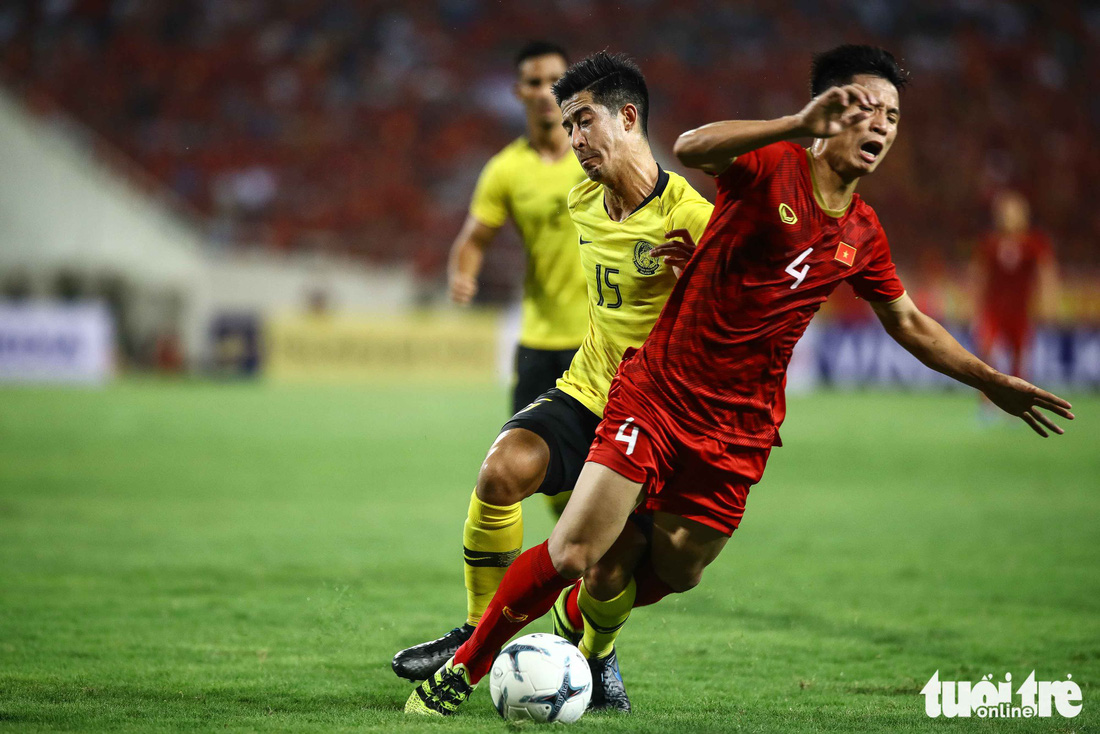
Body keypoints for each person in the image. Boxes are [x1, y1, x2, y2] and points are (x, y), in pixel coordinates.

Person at [405, 44, 1075, 717]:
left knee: (668, 570)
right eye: (864, 109)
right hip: (658, 392)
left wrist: (994, 380)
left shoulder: (863, 233)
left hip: (740, 429)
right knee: (576, 547)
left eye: (892, 116)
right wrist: (795, 123)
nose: (879, 126)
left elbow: (907, 321)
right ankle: (464, 669)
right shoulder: (771, 166)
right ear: (829, 110)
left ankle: (585, 633)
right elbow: (695, 145)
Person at [397, 51, 713, 712]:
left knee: (605, 566)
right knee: (500, 473)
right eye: (567, 126)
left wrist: (693, 289)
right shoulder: (580, 198)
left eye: (584, 122)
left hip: (656, 415)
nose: (573, 140)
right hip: (587, 386)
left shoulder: (693, 220)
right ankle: (479, 633)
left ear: (628, 118)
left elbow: (728, 329)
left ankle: (596, 655)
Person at [447, 41, 587, 522]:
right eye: (534, 81)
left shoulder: (599, 159)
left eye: (556, 80)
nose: (546, 91)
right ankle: (585, 555)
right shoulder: (506, 170)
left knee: (605, 469)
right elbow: (473, 238)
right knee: (535, 469)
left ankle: (601, 558)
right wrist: (462, 273)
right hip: (537, 341)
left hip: (600, 342)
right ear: (518, 92)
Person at [972, 190, 1058, 381]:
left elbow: (1046, 273)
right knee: (986, 354)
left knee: (1019, 359)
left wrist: (1049, 301)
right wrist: (974, 305)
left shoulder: (1035, 243)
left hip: (1021, 311)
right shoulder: (991, 243)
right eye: (1003, 212)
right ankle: (987, 405)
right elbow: (980, 276)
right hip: (993, 310)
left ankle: (1018, 404)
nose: (1007, 217)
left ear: (1023, 215)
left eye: (1012, 212)